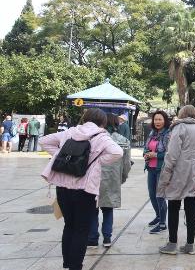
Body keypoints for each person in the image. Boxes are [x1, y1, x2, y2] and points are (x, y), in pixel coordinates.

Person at [40, 108, 123, 270]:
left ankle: (68, 264)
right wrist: (97, 161)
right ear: (103, 122)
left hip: (63, 187)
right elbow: (117, 152)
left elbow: (44, 141)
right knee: (82, 229)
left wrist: (60, 154)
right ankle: (75, 266)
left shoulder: (70, 132)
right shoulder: (101, 136)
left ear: (84, 118)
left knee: (69, 225)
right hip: (85, 190)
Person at [158, 105, 195, 255]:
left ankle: (172, 244)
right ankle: (190, 245)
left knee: (174, 207)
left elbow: (172, 155)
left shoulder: (179, 128)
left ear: (182, 114)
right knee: (191, 210)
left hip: (179, 175)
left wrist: (165, 176)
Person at [88, 114, 132, 248]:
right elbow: (127, 164)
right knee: (108, 209)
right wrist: (122, 177)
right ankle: (107, 238)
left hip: (92, 178)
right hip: (112, 178)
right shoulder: (123, 141)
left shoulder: (92, 139)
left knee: (92, 209)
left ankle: (92, 239)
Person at [143, 110, 170, 234]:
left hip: (161, 169)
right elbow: (146, 147)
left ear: (165, 120)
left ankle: (163, 223)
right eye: (155, 119)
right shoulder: (153, 133)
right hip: (151, 168)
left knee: (160, 196)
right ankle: (158, 216)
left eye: (160, 119)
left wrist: (156, 155)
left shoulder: (168, 134)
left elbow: (170, 153)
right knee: (152, 194)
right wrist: (146, 154)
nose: (157, 122)